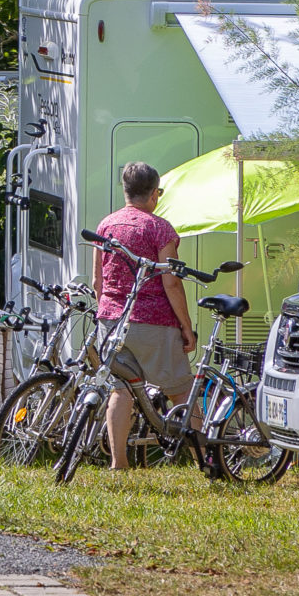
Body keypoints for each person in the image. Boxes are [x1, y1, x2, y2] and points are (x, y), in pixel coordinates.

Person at [93, 160, 196, 472]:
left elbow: (98, 281)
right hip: (153, 322)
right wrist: (186, 326)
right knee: (181, 390)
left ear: (126, 191)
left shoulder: (106, 225)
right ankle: (205, 459)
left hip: (112, 321)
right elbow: (171, 282)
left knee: (120, 389)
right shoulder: (160, 229)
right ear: (153, 194)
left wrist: (105, 312)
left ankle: (118, 463)